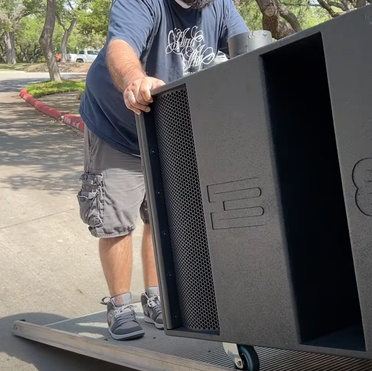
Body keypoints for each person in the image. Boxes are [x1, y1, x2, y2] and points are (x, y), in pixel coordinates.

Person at [77, 0, 249, 340]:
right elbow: (121, 46)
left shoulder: (222, 6)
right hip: (118, 127)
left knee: (160, 217)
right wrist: (134, 79)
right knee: (117, 219)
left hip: (170, 128)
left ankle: (155, 297)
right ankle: (120, 304)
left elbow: (245, 48)